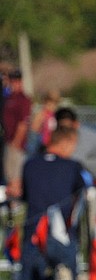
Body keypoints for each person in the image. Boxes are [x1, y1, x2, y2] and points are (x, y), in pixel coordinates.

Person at [18, 124, 89, 280]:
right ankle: (66, 279)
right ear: (66, 143)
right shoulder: (73, 167)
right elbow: (84, 196)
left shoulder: (30, 164)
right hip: (62, 237)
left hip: (33, 237)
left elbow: (24, 196)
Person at [2, 69, 33, 198]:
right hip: (7, 139)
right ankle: (11, 201)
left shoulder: (23, 99)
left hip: (16, 142)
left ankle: (15, 202)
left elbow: (23, 123)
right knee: (8, 173)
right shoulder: (8, 98)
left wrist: (16, 141)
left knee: (15, 174)